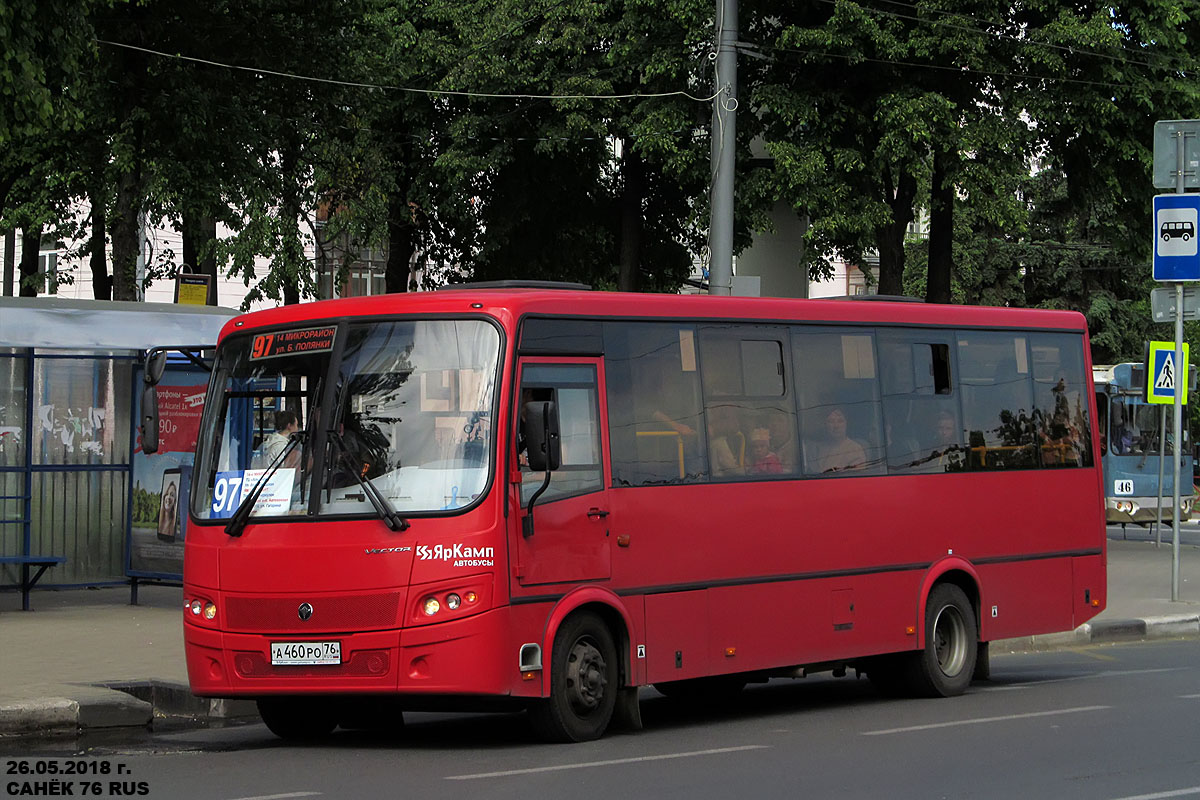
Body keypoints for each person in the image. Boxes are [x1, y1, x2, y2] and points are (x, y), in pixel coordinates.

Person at [813, 407, 867, 472]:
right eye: (831, 421)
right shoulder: (817, 448)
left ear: (847, 424)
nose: (836, 426)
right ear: (825, 425)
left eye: (840, 421)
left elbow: (856, 478)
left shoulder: (855, 449)